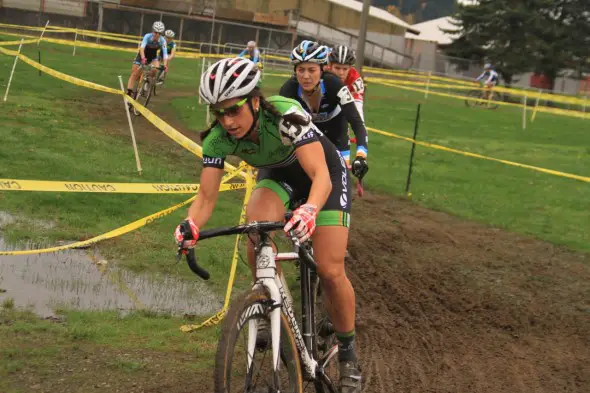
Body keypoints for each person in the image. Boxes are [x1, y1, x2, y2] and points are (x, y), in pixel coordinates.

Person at [174, 57, 362, 393]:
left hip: (324, 177)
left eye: (234, 110)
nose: (227, 121)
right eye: (219, 112)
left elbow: (320, 176)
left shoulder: (286, 116)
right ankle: (263, 305)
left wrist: (310, 211)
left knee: (331, 269)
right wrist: (190, 224)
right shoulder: (217, 139)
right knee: (255, 226)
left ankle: (348, 355)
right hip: (279, 176)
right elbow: (205, 198)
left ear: (256, 101)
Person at [280, 41, 368, 185]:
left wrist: (361, 156)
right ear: (295, 71)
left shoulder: (334, 84)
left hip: (337, 133)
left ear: (322, 70)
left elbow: (357, 123)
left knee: (339, 182)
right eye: (301, 70)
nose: (306, 76)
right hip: (308, 134)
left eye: (311, 70)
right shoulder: (288, 90)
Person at [126, 21, 168, 98]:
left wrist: (165, 65)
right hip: (142, 55)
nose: (157, 35)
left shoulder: (163, 41)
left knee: (155, 69)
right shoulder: (147, 36)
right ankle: (129, 92)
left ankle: (147, 82)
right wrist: (143, 58)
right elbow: (142, 48)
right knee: (134, 73)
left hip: (153, 57)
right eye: (156, 32)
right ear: (153, 31)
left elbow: (165, 54)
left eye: (160, 33)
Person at [327, 45, 365, 122]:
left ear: (350, 68)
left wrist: (361, 129)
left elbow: (357, 107)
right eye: (337, 68)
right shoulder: (322, 72)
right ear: (330, 66)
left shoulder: (355, 80)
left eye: (345, 69)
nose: (341, 73)